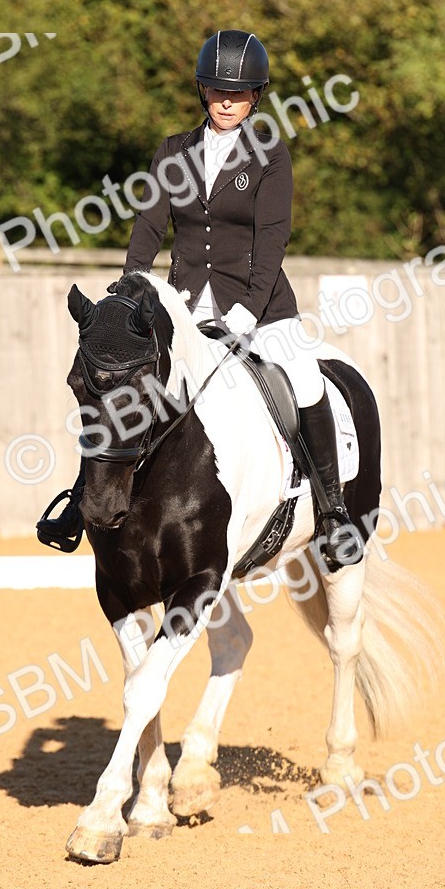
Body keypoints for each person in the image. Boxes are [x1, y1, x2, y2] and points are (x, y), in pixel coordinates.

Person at [38, 29, 358, 568]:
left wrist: (248, 310)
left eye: (238, 93)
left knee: (303, 378)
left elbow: (271, 240)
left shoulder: (269, 154)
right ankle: (81, 500)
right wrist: (128, 294)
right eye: (216, 90)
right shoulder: (173, 151)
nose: (226, 101)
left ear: (256, 96)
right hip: (183, 304)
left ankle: (332, 512)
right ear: (202, 91)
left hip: (260, 305)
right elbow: (148, 227)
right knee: (129, 384)